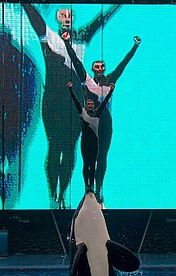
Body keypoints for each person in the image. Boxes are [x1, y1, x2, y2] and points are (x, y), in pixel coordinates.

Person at [22, 4, 121, 208]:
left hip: (75, 103)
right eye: (62, 14)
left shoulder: (82, 37)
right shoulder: (48, 35)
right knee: (54, 147)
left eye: (69, 14)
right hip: (52, 102)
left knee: (70, 150)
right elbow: (30, 11)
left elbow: (102, 18)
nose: (66, 17)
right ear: (57, 18)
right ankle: (52, 195)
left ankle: (63, 196)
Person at [62, 32, 141, 203]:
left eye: (101, 66)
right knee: (89, 156)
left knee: (102, 156)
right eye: (96, 66)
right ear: (92, 69)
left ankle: (99, 188)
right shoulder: (86, 80)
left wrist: (135, 46)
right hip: (90, 124)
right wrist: (67, 42)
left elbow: (124, 63)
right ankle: (88, 187)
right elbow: (75, 60)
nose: (99, 68)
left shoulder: (111, 79)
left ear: (104, 69)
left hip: (105, 123)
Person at [68, 81, 114, 192]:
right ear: (86, 105)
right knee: (86, 165)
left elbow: (104, 102)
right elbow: (76, 101)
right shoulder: (82, 113)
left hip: (94, 144)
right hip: (85, 143)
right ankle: (86, 185)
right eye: (88, 104)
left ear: (93, 106)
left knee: (93, 165)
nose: (89, 105)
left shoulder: (97, 114)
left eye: (91, 104)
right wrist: (70, 89)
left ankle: (92, 186)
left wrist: (111, 90)